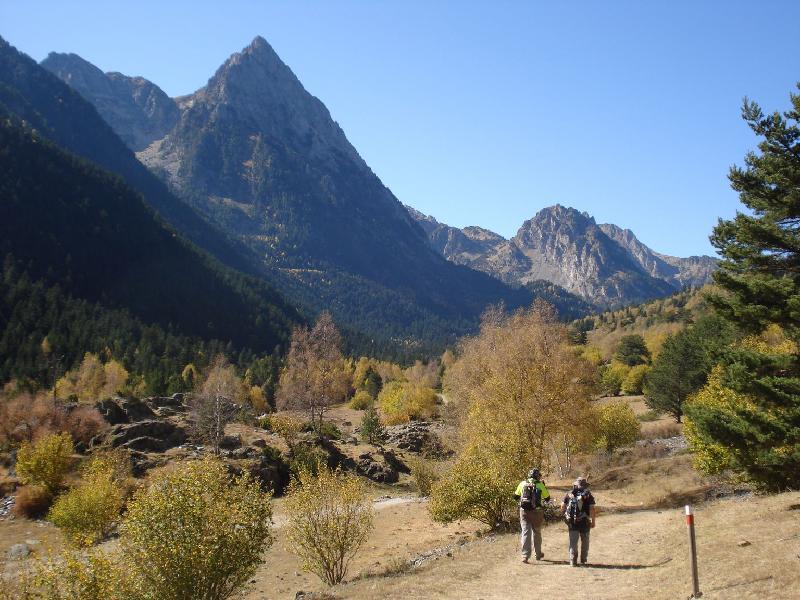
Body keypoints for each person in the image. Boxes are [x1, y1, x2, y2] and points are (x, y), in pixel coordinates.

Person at [513, 468, 550, 563]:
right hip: (537, 512)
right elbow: (547, 498)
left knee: (525, 532)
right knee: (537, 532)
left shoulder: (522, 483)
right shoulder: (540, 484)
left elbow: (515, 497)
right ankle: (538, 554)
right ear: (537, 476)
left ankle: (525, 556)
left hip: (524, 511)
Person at [561, 476, 596, 567]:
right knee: (585, 540)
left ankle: (573, 560)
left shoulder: (569, 494)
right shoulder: (588, 495)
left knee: (573, 541)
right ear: (585, 486)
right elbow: (592, 509)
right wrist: (593, 521)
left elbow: (562, 507)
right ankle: (583, 559)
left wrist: (565, 515)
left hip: (572, 521)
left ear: (575, 485)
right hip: (584, 521)